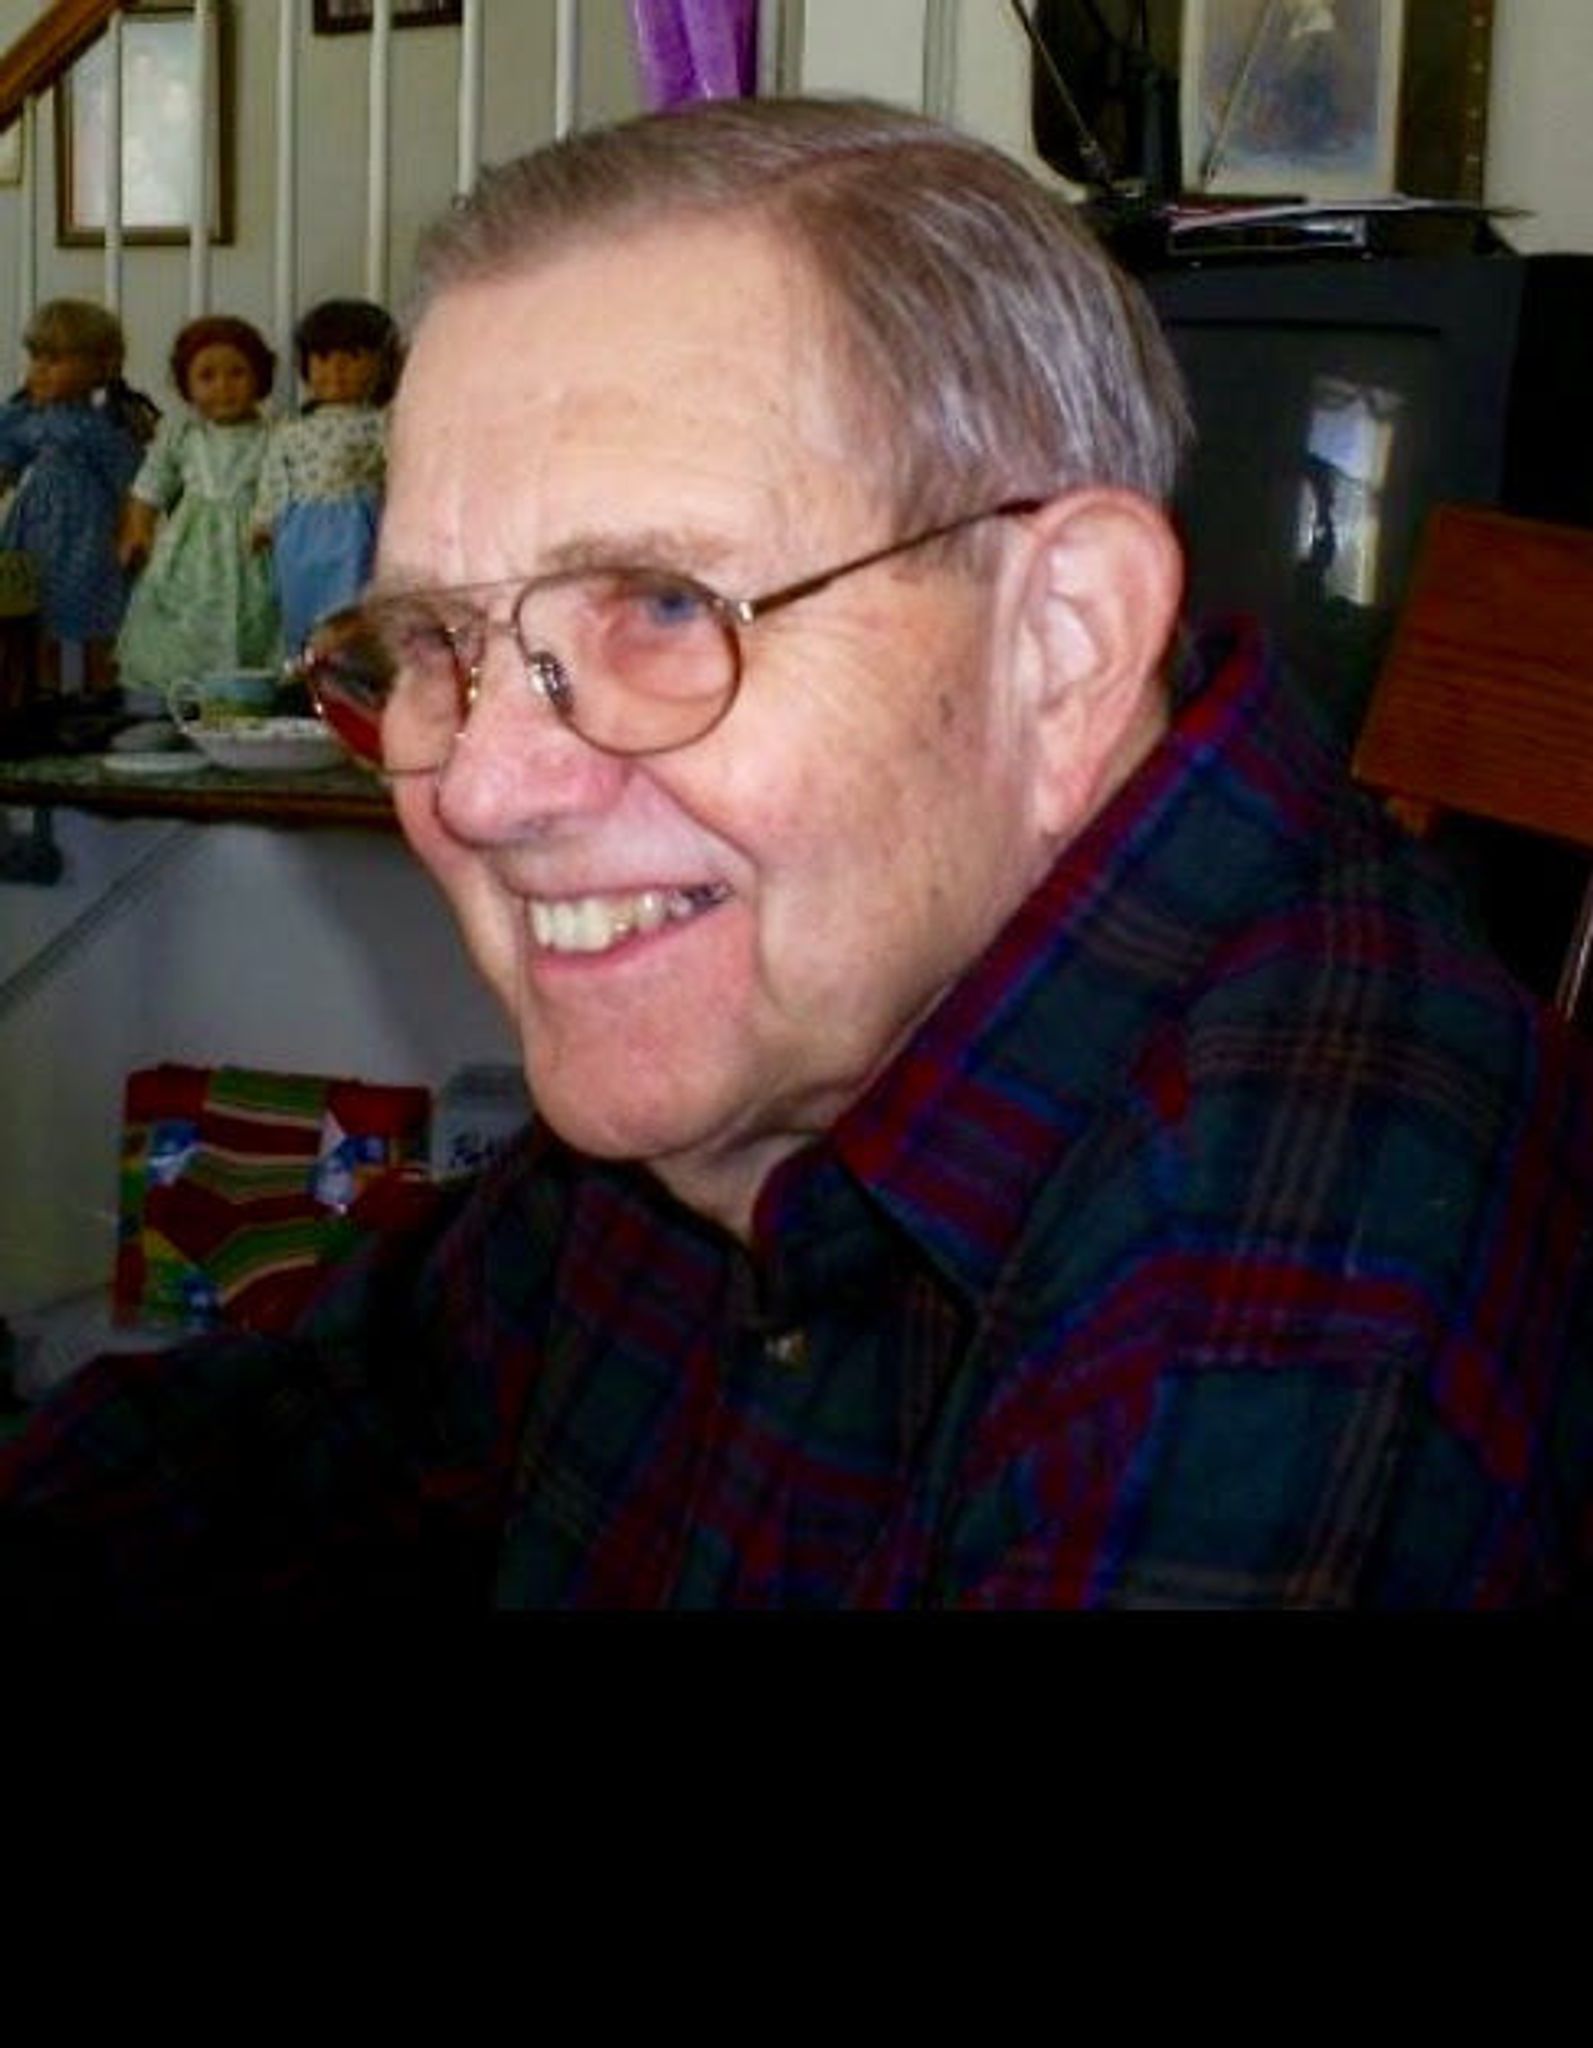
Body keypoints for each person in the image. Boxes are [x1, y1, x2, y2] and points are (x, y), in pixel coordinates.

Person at [4, 97, 1592, 1612]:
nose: (481, 789)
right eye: (433, 639)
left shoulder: (1287, 1311)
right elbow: (330, 1426)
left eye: (662, 605)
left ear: (1064, 637)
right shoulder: (778, 1014)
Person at [115, 315, 282, 704]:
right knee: (176, 623)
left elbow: (288, 487)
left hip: (254, 546)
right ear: (186, 385)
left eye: (237, 373)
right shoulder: (182, 435)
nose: (223, 386)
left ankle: (246, 699)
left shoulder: (276, 435)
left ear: (260, 376)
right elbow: (150, 483)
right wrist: (137, 530)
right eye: (207, 376)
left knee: (257, 618)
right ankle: (175, 697)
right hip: (188, 552)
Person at [0, 298, 158, 695]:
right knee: (34, 614)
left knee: (92, 616)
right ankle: (39, 693)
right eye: (35, 357)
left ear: (101, 366)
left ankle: (95, 695)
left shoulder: (105, 427)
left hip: (89, 536)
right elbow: (6, 461)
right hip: (33, 533)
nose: (40, 368)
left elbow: (132, 484)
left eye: (54, 359)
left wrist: (133, 533)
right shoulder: (26, 419)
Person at [250, 296, 398, 656]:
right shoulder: (290, 429)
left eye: (352, 358)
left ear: (380, 364)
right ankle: (304, 666)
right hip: (299, 531)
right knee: (300, 598)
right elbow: (276, 474)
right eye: (323, 359)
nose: (336, 370)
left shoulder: (381, 423)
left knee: (353, 602)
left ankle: (352, 668)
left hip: (357, 527)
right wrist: (264, 519)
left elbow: (397, 471)